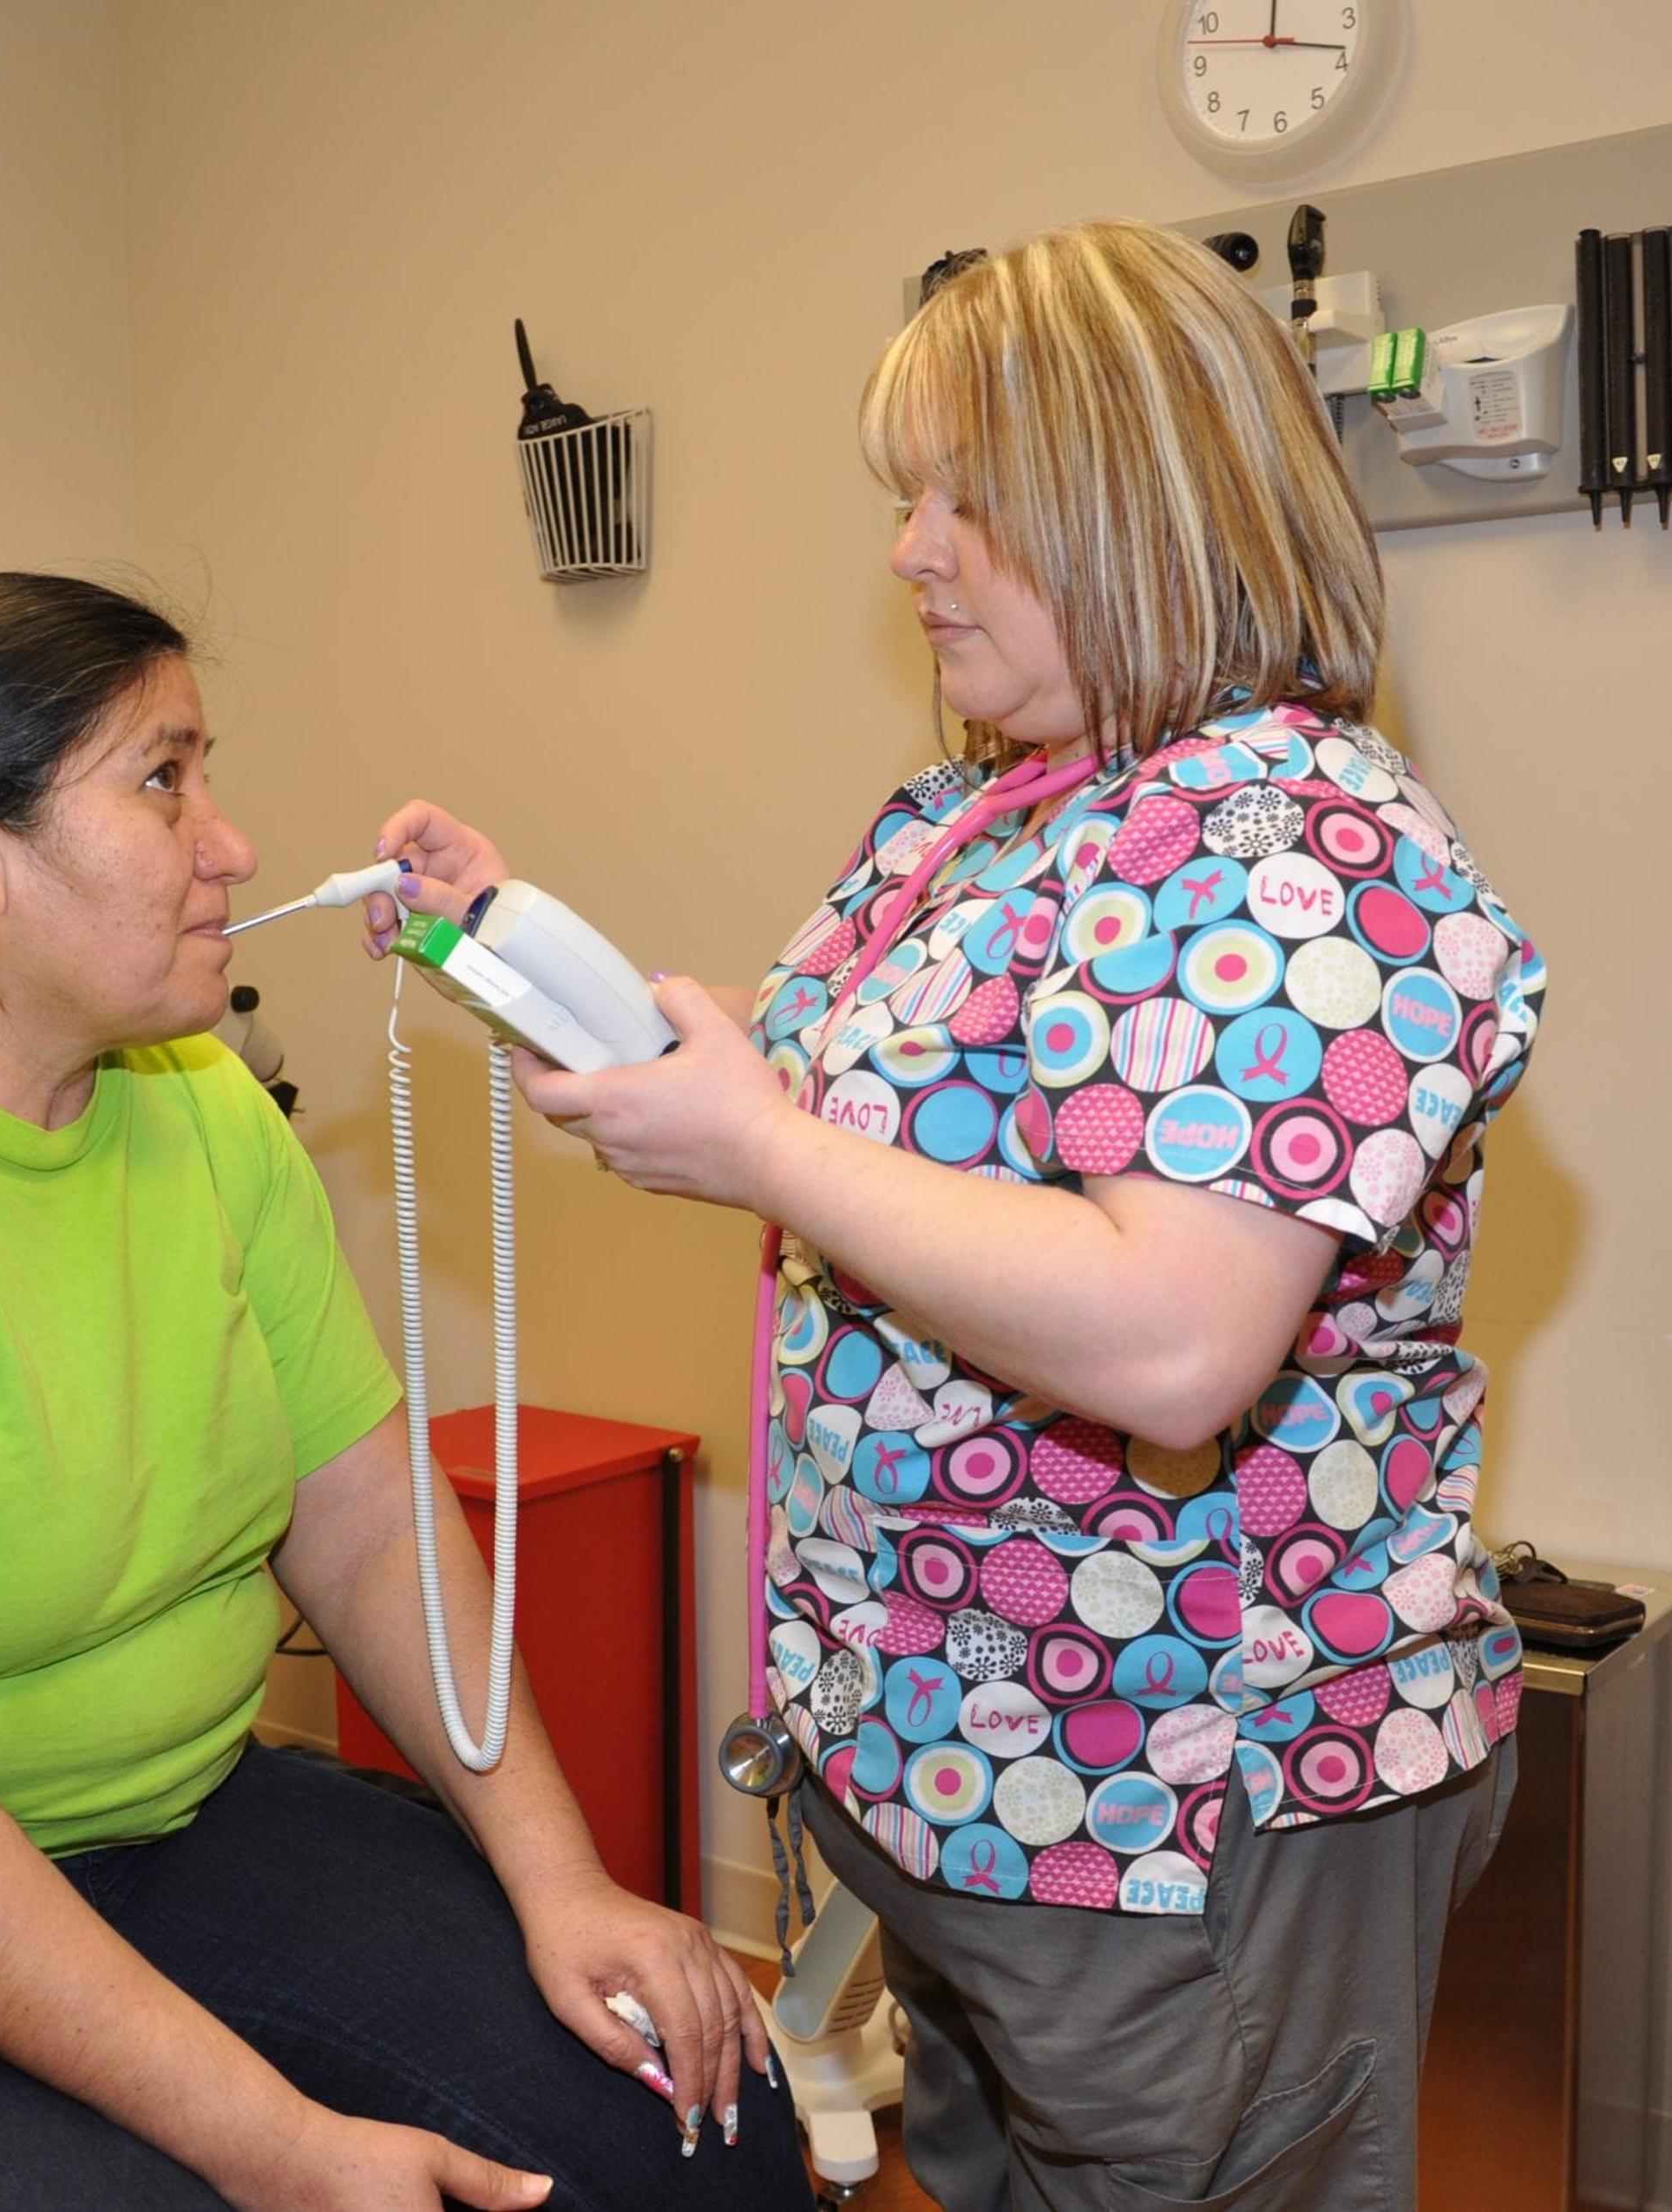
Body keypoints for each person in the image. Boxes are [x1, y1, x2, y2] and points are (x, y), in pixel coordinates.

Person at [368, 221, 1544, 2211]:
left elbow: (1178, 1345)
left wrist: (759, 1151)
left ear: (1137, 511)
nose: (909, 551)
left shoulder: (1292, 839)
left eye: (965, 501)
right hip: (969, 1768)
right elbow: (858, 1083)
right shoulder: (992, 807)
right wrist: (530, 964)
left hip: (1177, 1800)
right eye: (908, 498)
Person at [0, 573, 807, 2212]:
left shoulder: (191, 1095)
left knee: (696, 2131)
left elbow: (363, 1522)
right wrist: (290, 2150)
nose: (233, 842)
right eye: (163, 779)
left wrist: (569, 1883)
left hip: (170, 1820)